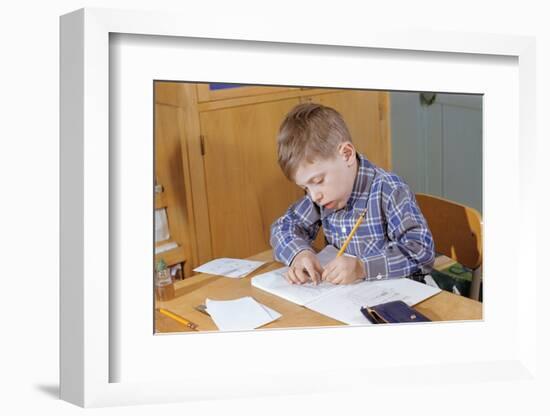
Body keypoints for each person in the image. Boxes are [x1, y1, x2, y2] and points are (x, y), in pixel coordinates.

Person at [270, 103, 435, 286]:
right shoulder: (322, 197)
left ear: (347, 154)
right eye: (305, 188)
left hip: (401, 299)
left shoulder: (389, 190)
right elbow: (283, 227)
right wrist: (299, 254)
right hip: (348, 301)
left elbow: (422, 252)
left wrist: (362, 268)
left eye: (317, 181)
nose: (314, 196)